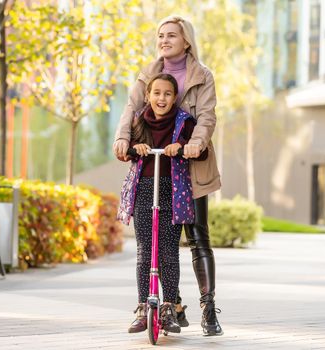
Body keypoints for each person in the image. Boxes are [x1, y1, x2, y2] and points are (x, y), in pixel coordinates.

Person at [113, 15, 223, 336]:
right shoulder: (148, 73)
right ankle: (166, 304)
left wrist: (194, 143)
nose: (164, 40)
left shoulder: (202, 75)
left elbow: (206, 116)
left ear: (186, 40)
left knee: (196, 237)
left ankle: (208, 308)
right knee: (151, 243)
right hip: (157, 168)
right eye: (161, 35)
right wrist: (123, 138)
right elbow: (131, 109)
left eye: (171, 35)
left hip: (191, 163)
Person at [118, 73, 206, 335]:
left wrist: (183, 146)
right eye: (156, 93)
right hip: (145, 189)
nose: (161, 98)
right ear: (148, 96)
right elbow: (125, 150)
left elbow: (201, 150)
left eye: (167, 94)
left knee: (168, 252)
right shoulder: (138, 121)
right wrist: (136, 148)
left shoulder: (184, 122)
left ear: (175, 97)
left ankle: (168, 307)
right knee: (145, 251)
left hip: (173, 192)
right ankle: (143, 306)